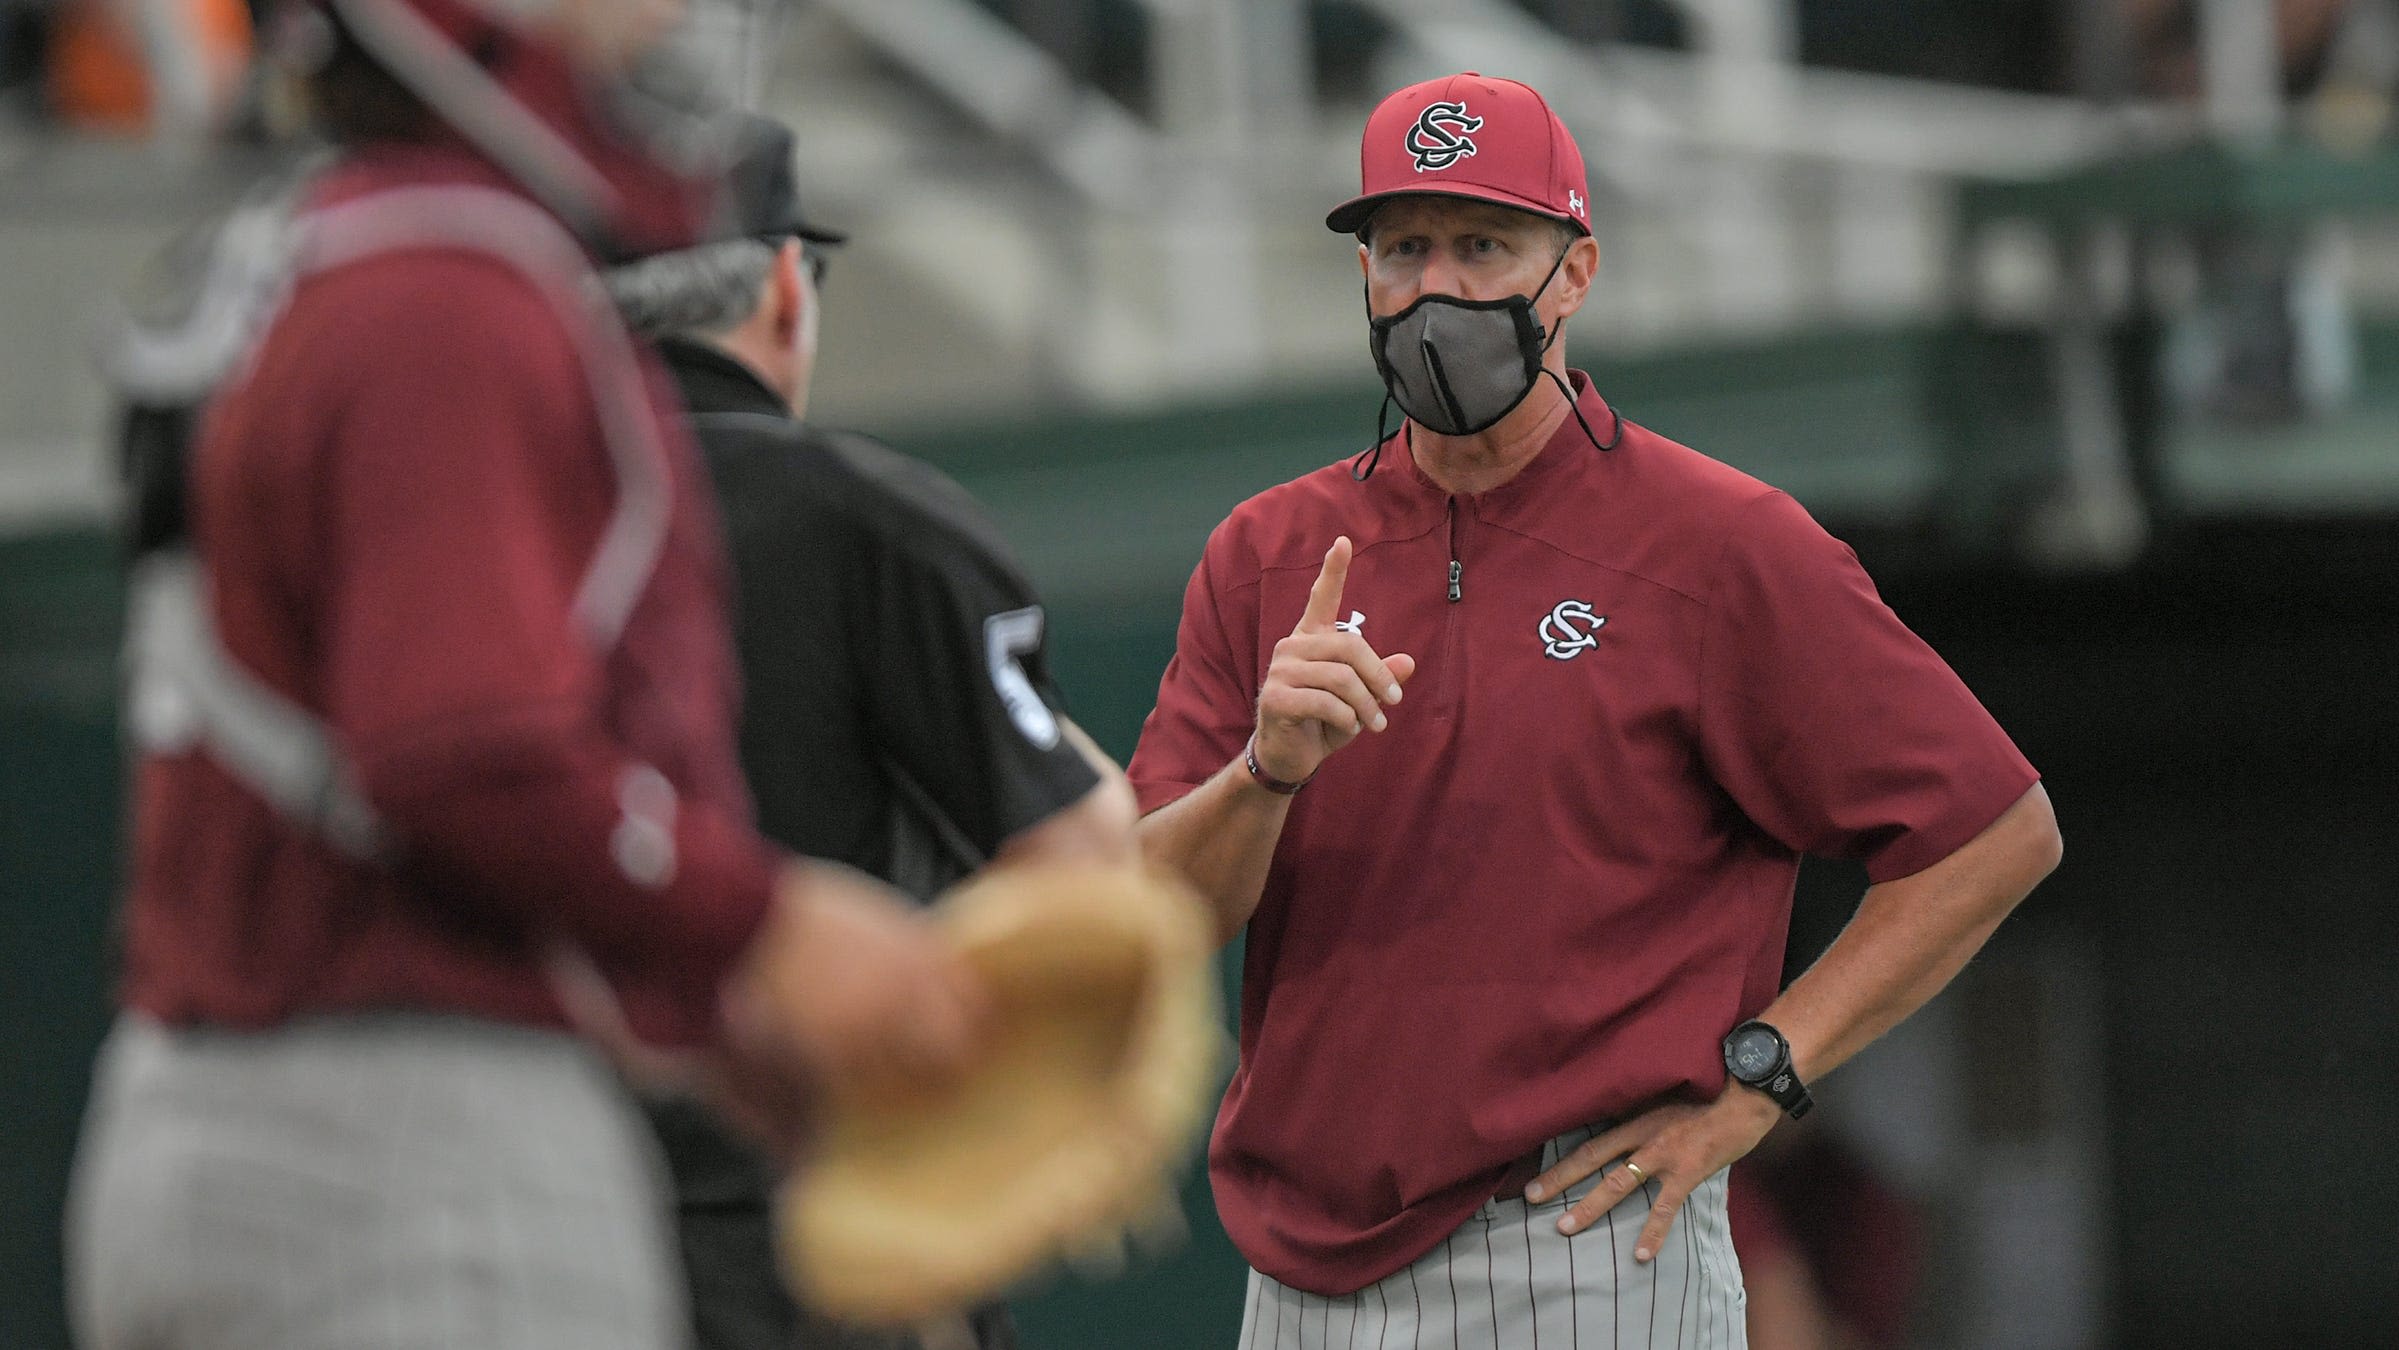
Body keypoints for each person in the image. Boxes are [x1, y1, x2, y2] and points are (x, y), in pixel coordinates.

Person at [63, 2, 985, 1347]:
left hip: (250, 1108)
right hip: (404, 1145)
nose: (663, 22)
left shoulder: (349, 245)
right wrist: (768, 929)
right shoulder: (447, 279)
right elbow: (457, 748)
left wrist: (713, 1014)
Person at [1125, 71, 2062, 1348]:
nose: (1435, 288)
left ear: (1572, 274)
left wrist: (1760, 1080)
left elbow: (1991, 830)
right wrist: (1264, 775)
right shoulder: (1267, 552)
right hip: (1297, 1268)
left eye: (1481, 245)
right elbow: (1146, 921)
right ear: (1362, 274)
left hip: (1579, 1241)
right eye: (1401, 248)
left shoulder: (1717, 544)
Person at [602, 117, 1139, 1350]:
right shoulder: (870, 523)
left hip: (533, 1225)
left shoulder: (477, 526)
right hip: (818, 1233)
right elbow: (1086, 875)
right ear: (790, 288)